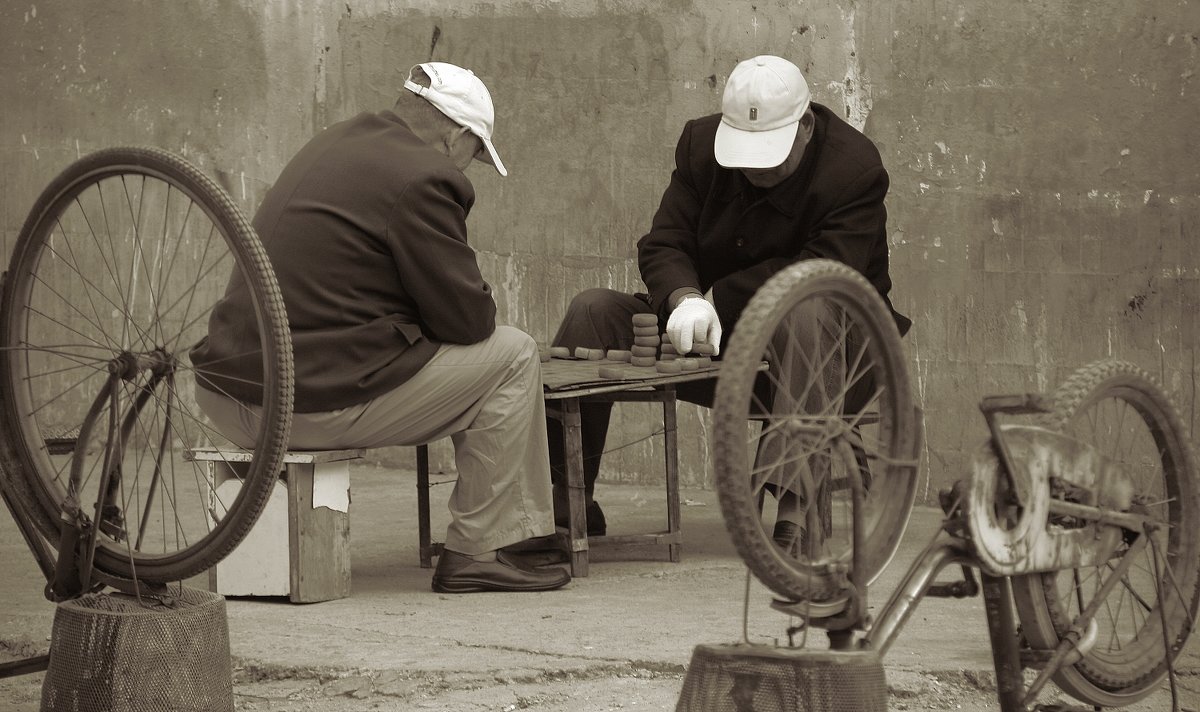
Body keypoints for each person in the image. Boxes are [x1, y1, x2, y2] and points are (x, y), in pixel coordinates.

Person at [191, 61, 569, 594]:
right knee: (512, 354)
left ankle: (507, 533)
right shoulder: (426, 176)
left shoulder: (337, 140)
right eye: (477, 152)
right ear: (455, 134)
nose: (471, 165)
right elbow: (466, 320)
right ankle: (481, 547)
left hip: (226, 395)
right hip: (301, 407)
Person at [547, 55, 911, 546]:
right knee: (591, 310)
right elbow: (665, 241)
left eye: (770, 154)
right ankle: (567, 499)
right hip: (715, 340)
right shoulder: (701, 146)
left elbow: (828, 271)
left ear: (804, 126)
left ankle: (795, 510)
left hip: (831, 350)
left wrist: (722, 298)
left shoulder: (854, 170)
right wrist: (685, 299)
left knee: (808, 306)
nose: (754, 169)